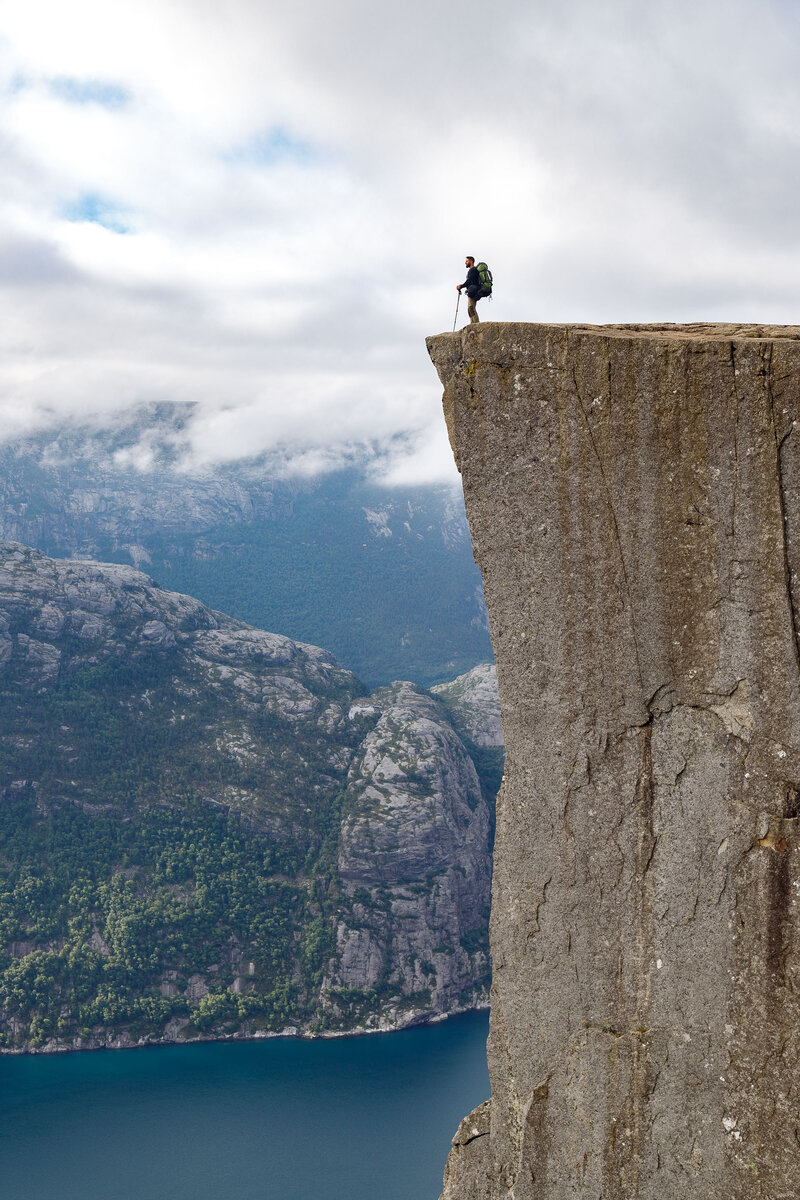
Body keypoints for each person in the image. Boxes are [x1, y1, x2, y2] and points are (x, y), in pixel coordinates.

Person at [456, 256, 484, 324]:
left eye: (467, 261)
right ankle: (472, 324)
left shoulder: (473, 269)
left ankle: (476, 324)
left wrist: (461, 286)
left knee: (471, 308)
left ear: (471, 261)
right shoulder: (472, 270)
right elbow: (470, 281)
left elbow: (469, 281)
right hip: (474, 291)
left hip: (473, 291)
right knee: (470, 308)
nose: (465, 263)